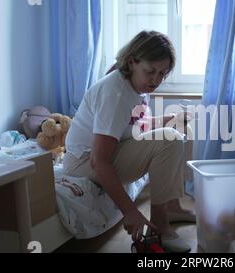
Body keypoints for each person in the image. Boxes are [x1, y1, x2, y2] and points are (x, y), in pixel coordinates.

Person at [63, 30, 193, 252]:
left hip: (110, 152)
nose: (156, 80)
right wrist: (130, 211)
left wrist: (168, 119)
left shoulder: (138, 85)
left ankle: (172, 205)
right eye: (151, 71)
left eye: (163, 73)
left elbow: (133, 125)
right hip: (82, 164)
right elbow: (99, 161)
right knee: (170, 139)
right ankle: (160, 226)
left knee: (181, 127)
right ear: (132, 62)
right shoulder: (115, 93)